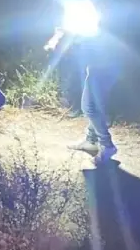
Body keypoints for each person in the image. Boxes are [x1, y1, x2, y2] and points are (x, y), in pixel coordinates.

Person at [45, 16, 118, 165]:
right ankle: (91, 141)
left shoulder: (85, 26)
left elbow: (67, 45)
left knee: (89, 107)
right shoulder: (87, 24)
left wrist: (56, 42)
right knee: (94, 105)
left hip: (103, 68)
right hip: (103, 67)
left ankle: (107, 144)